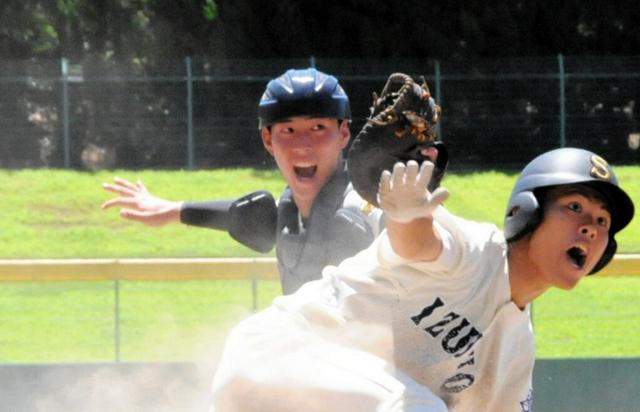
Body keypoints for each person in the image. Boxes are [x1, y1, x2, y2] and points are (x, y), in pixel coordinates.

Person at [207, 147, 634, 411]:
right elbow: (419, 243)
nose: (591, 228)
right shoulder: (476, 250)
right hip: (277, 357)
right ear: (527, 211)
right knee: (418, 408)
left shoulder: (516, 350)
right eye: (574, 207)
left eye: (602, 220)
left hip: (322, 402)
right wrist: (408, 215)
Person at [102, 68, 445, 295]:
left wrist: (413, 216)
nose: (303, 144)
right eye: (288, 130)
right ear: (268, 140)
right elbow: (242, 216)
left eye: (318, 128)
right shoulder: (286, 214)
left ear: (344, 134)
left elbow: (415, 241)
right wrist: (175, 210)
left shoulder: (366, 203)